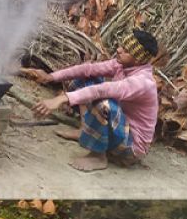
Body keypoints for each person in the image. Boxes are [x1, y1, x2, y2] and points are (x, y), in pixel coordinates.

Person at [26, 28, 160, 172]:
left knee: (104, 104)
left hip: (131, 146)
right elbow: (87, 69)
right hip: (119, 130)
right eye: (122, 46)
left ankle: (98, 156)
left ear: (138, 59)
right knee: (86, 77)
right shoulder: (122, 65)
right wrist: (51, 77)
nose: (119, 50)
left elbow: (102, 90)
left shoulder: (143, 82)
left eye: (126, 50)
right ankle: (85, 130)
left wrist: (61, 99)